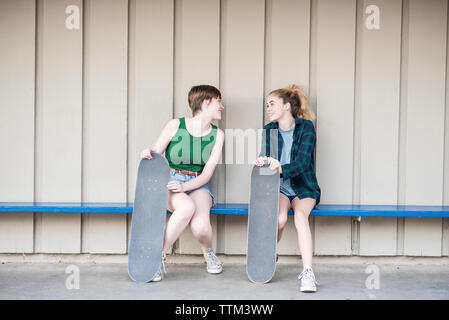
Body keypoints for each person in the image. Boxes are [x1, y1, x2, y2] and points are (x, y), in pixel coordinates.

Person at [140, 84, 225, 281]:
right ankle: (156, 258)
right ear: (206, 102)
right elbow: (155, 154)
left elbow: (207, 174)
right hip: (171, 180)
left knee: (201, 226)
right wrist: (147, 153)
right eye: (218, 102)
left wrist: (185, 186)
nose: (221, 106)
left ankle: (208, 253)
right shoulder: (175, 125)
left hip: (197, 183)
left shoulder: (218, 135)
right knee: (186, 207)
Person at [253, 84, 321, 292]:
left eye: (272, 104)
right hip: (280, 186)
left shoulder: (306, 128)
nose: (268, 109)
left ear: (286, 106)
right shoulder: (269, 130)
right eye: (266, 105)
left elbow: (302, 163)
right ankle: (268, 256)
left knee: (300, 217)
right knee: (280, 219)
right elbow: (268, 160)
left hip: (303, 186)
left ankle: (308, 273)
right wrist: (261, 163)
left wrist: (279, 168)